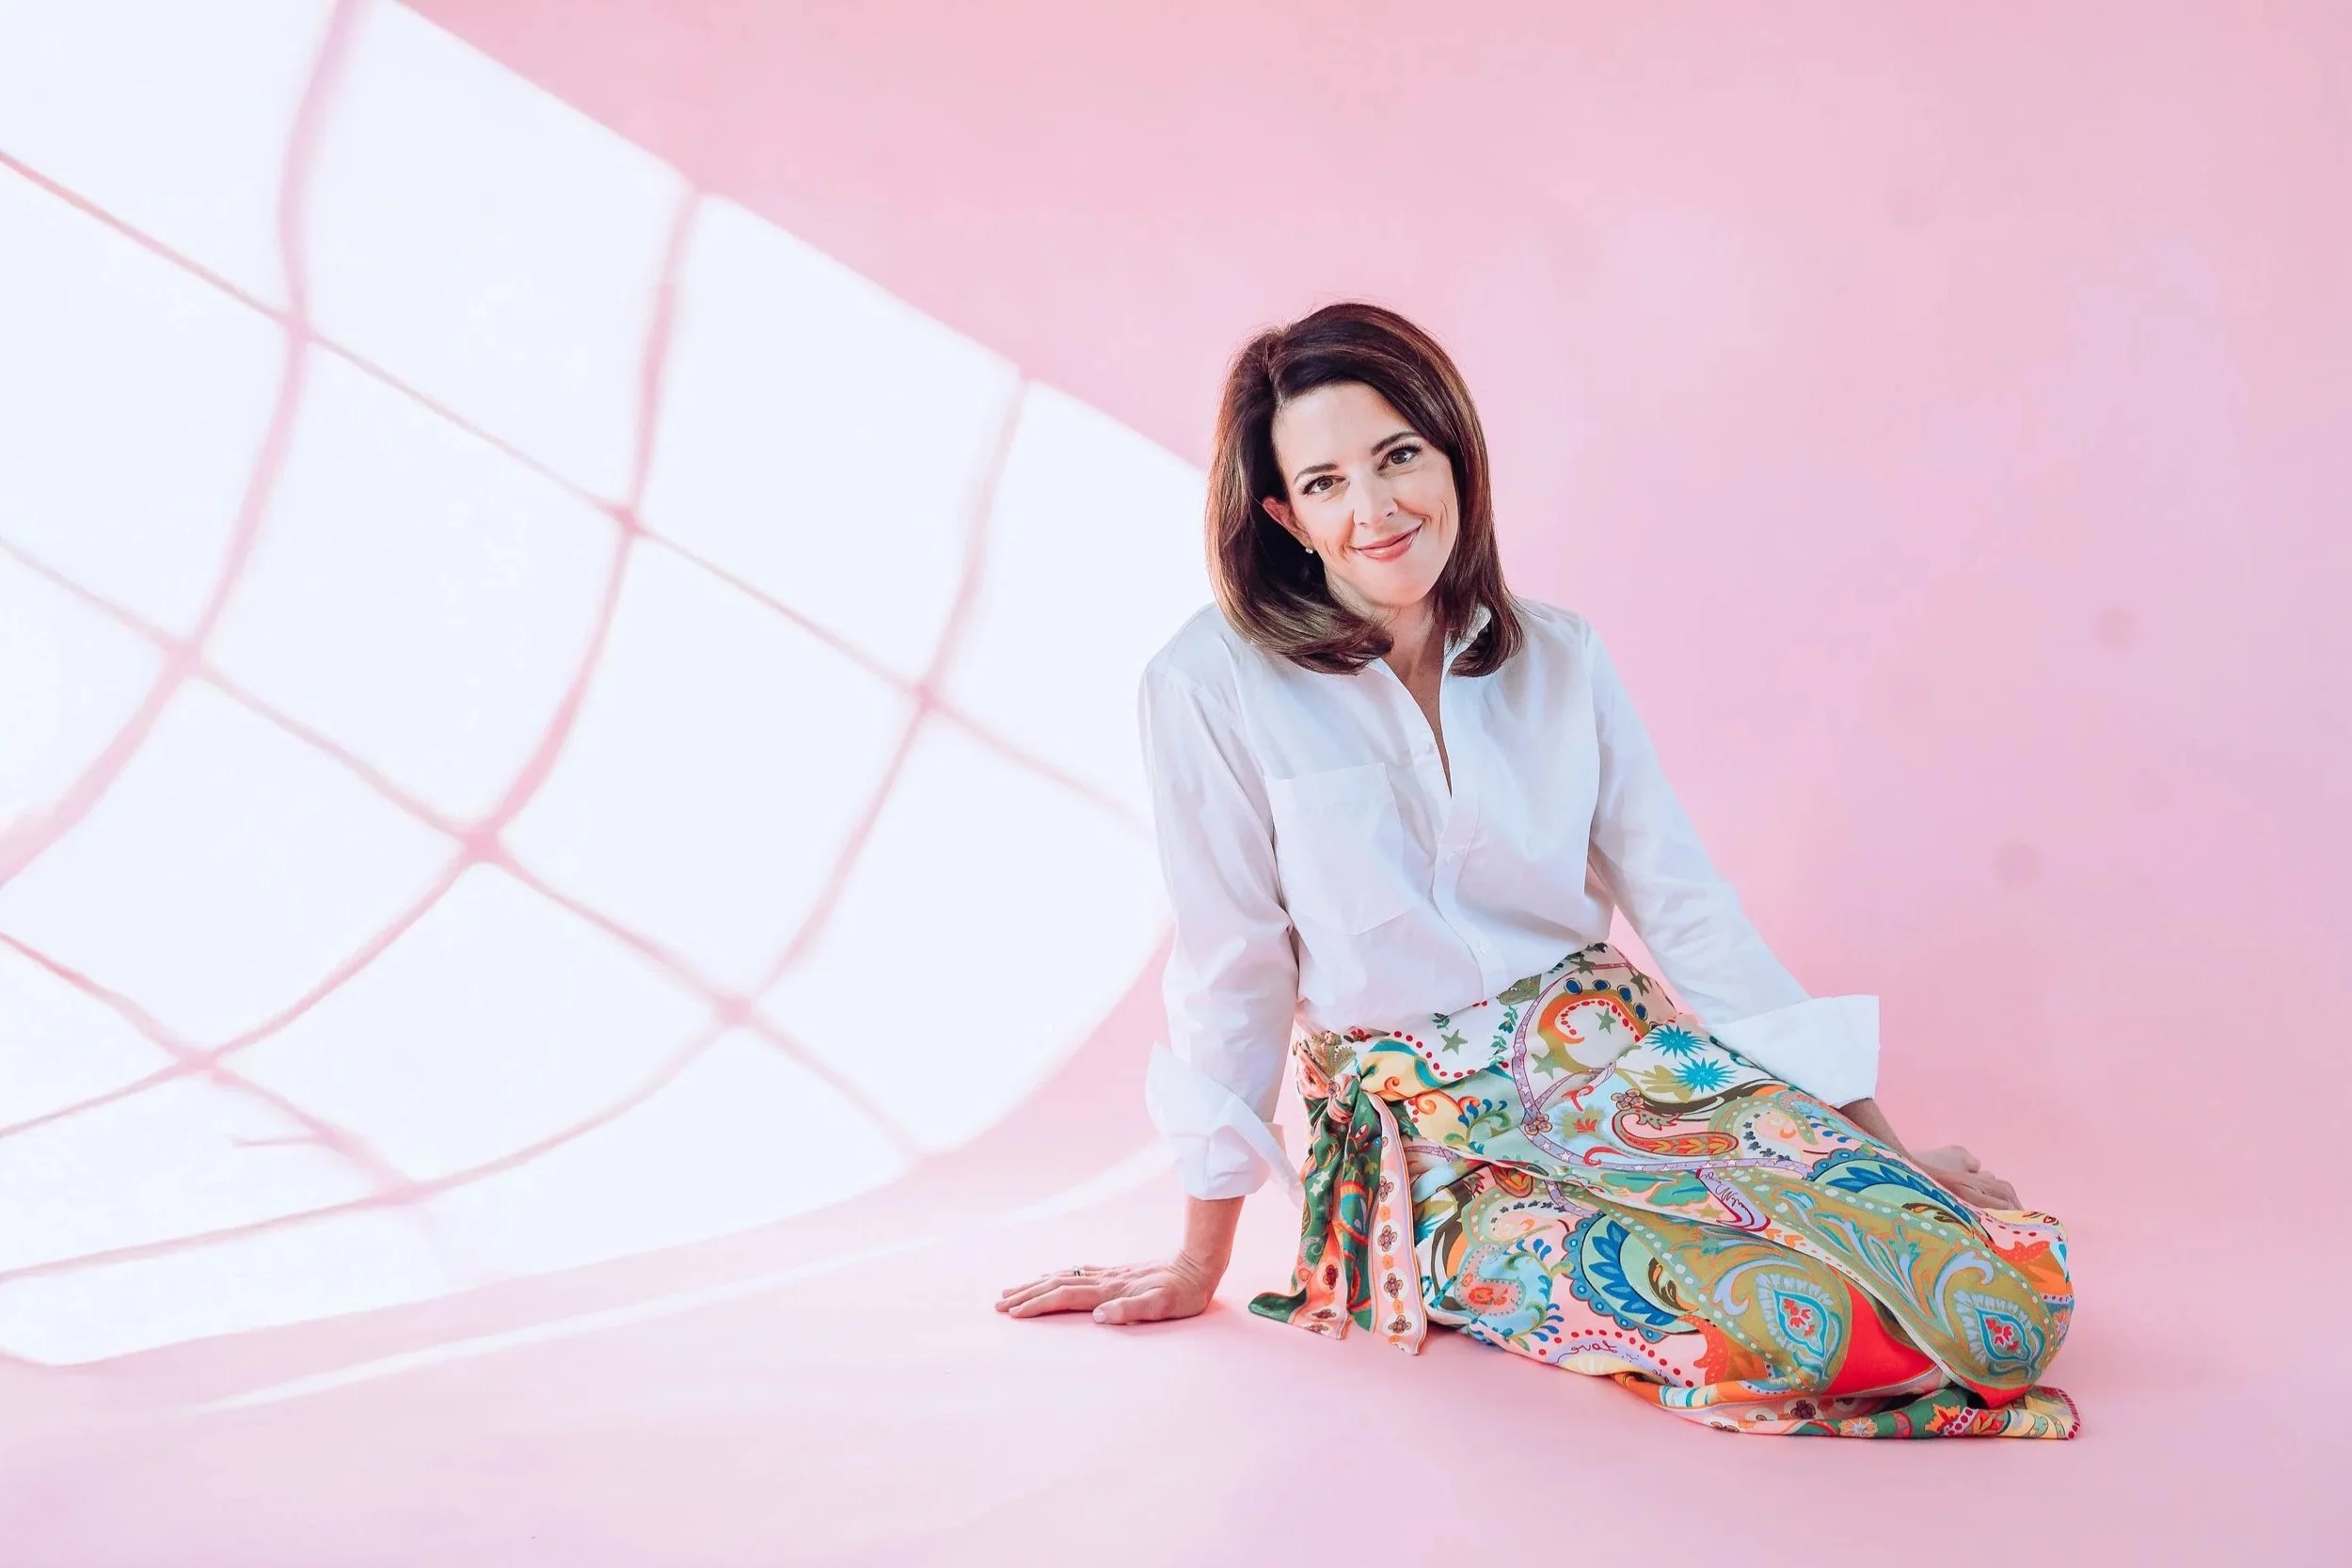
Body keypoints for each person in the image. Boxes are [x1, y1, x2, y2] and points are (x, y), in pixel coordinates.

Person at [996, 303, 2075, 1437]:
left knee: (1991, 1302)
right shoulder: (1207, 684)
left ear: (1455, 454)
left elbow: (1688, 912)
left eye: (1399, 454)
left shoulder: (1560, 655)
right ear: (1283, 514)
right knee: (1800, 1320)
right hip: (1430, 1153)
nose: (1374, 508)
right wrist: (1196, 1258)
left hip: (1630, 1073)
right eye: (1323, 482)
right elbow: (1232, 966)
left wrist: (1875, 1152)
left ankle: (1851, 1193)